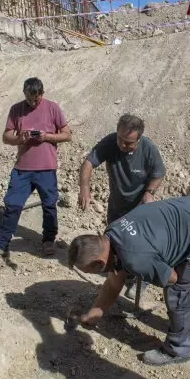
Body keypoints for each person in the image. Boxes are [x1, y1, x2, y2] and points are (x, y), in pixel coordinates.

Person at [67, 196, 190, 366]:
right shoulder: (113, 232)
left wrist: (152, 269)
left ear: (98, 263)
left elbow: (172, 278)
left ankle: (178, 349)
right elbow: (113, 282)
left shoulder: (135, 258)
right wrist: (92, 315)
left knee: (180, 292)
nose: (94, 274)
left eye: (90, 271)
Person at [0, 78, 71, 260]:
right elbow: (6, 137)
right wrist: (20, 138)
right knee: (12, 205)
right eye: (29, 99)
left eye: (36, 100)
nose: (32, 103)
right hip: (22, 168)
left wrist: (47, 137)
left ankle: (48, 241)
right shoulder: (16, 109)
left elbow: (67, 135)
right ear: (24, 94)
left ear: (42, 94)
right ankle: (1, 244)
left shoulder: (52, 108)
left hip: (46, 169)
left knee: (49, 206)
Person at [78, 114, 166, 300]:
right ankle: (121, 273)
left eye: (128, 143)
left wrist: (149, 192)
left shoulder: (148, 148)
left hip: (139, 209)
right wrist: (84, 188)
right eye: (120, 139)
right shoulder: (110, 143)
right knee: (116, 242)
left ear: (139, 139)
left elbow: (158, 173)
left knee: (141, 246)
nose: (122, 145)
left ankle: (143, 279)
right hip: (117, 206)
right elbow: (88, 163)